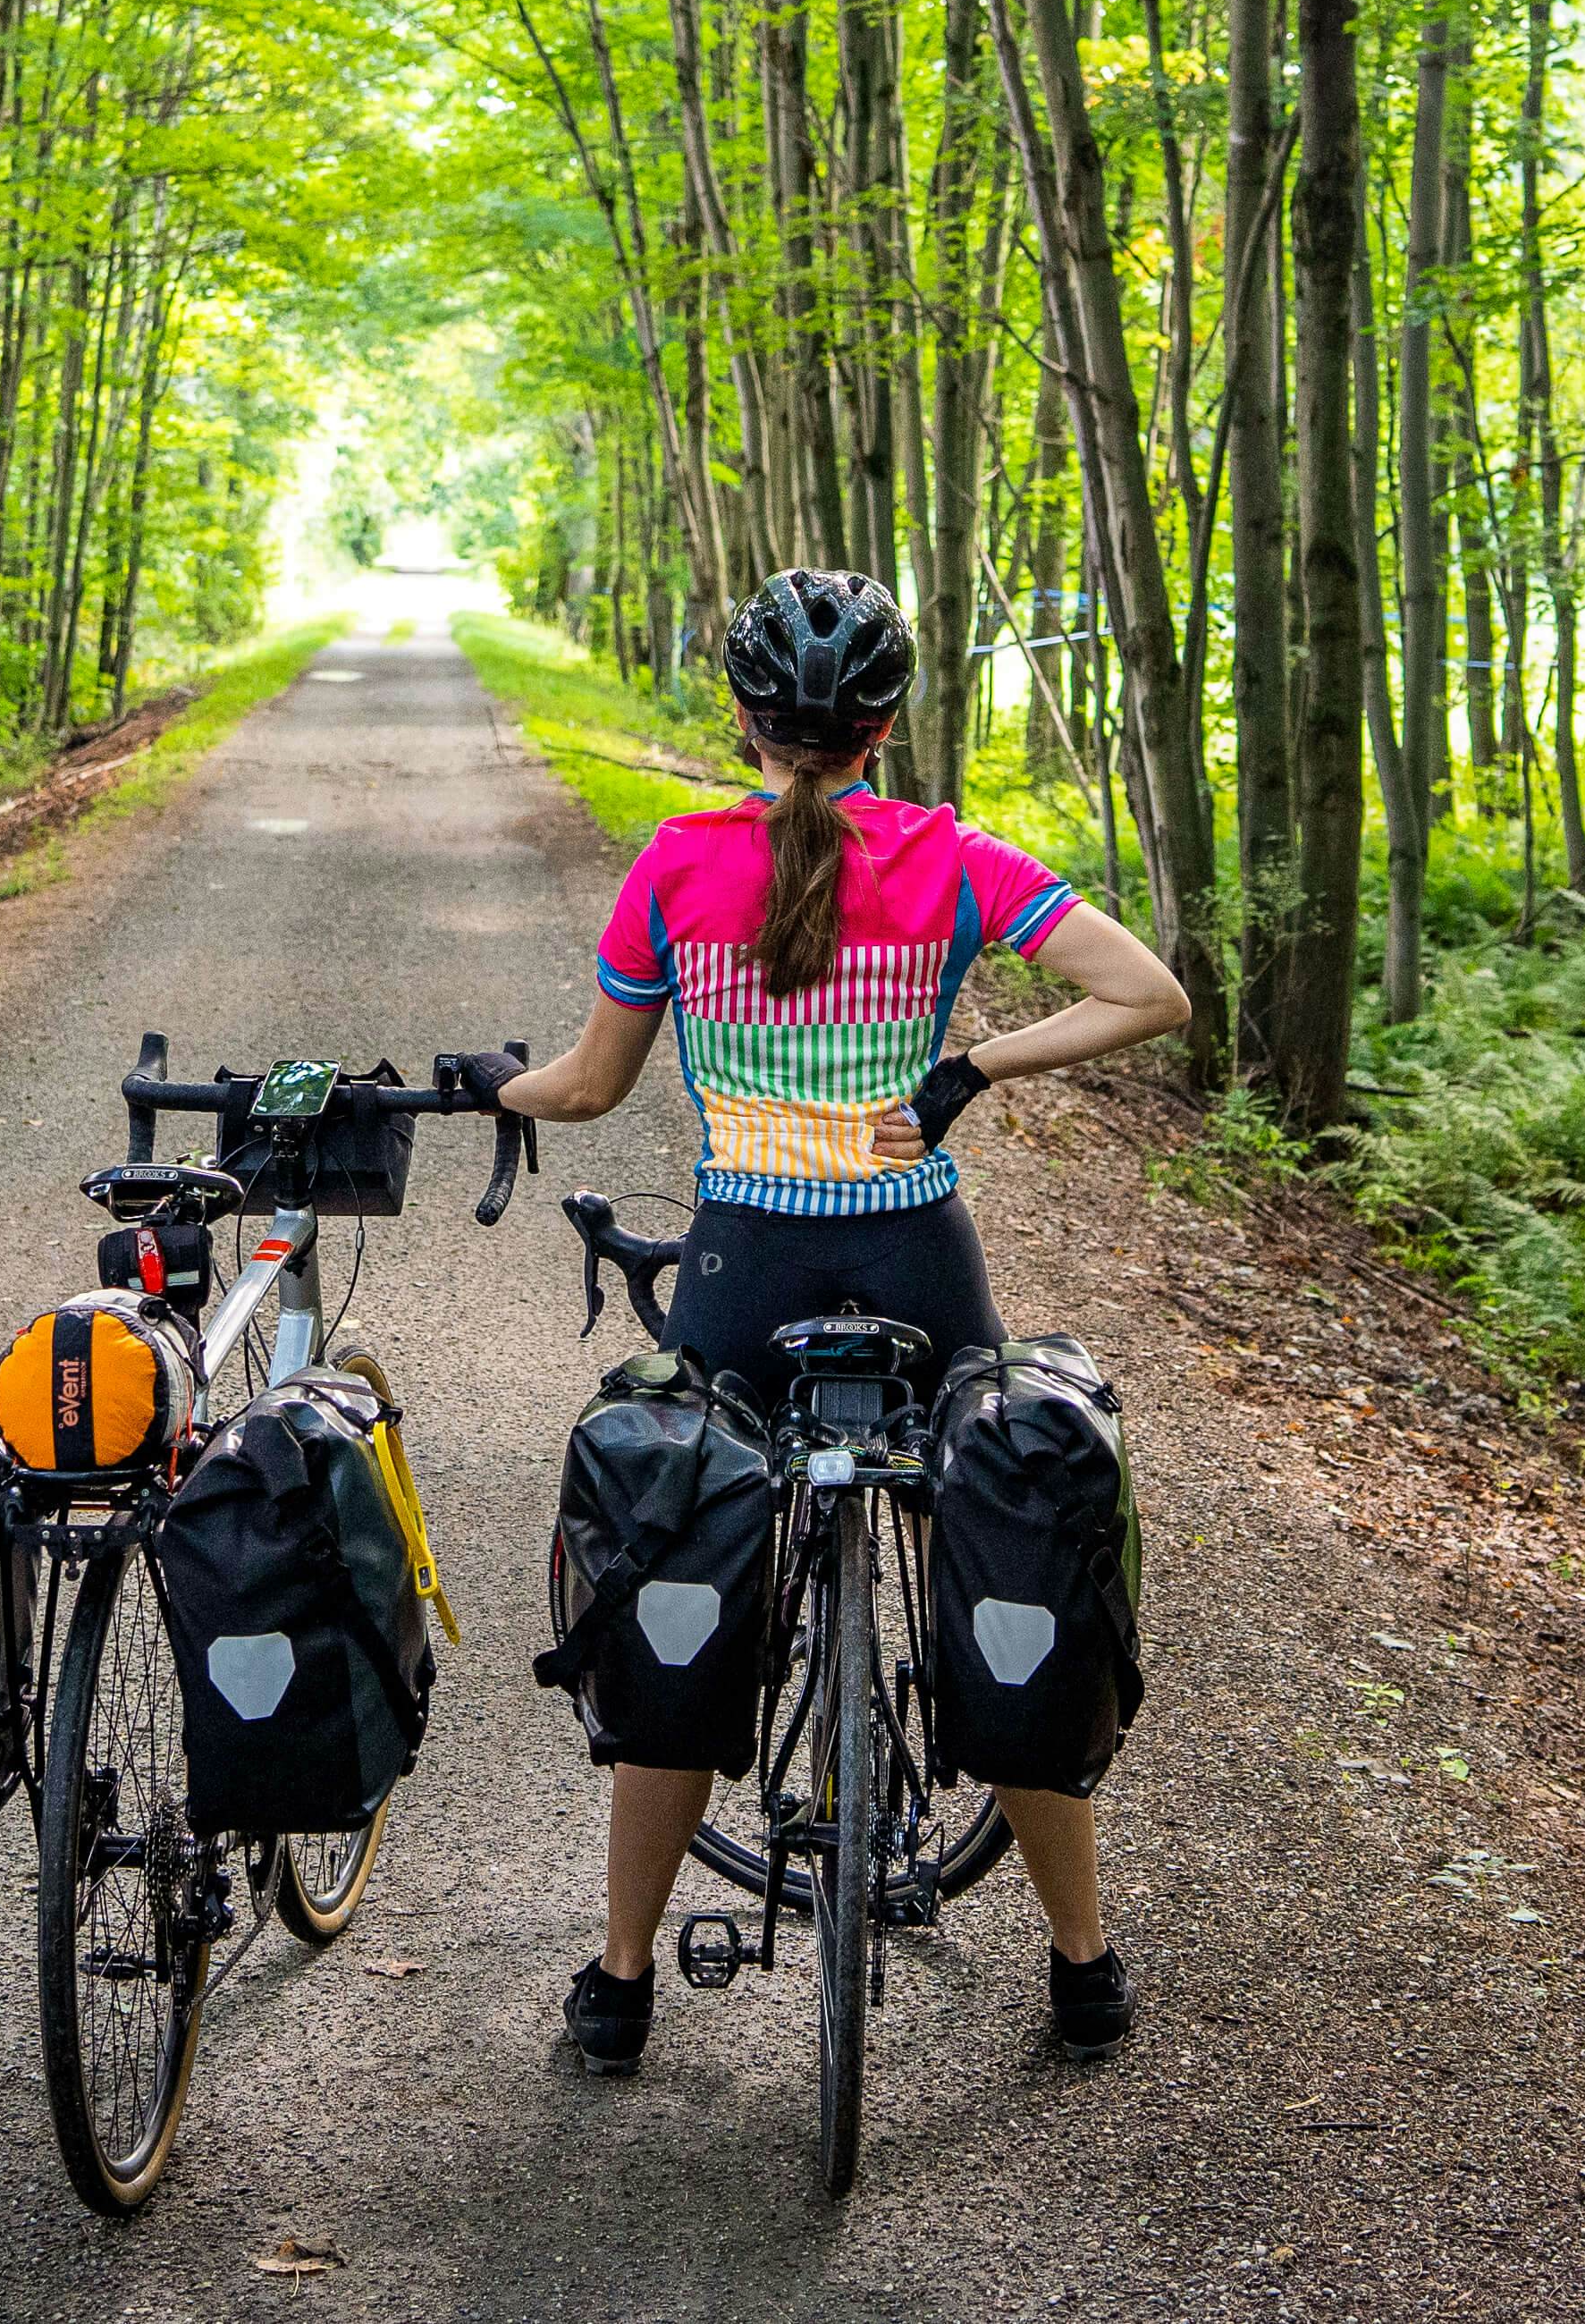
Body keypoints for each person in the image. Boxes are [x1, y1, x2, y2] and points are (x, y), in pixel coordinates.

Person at [454, 569, 1193, 2075]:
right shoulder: (955, 857)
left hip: (746, 1267)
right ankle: (1082, 1962)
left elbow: (586, 1088)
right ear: (884, 724)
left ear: (739, 716)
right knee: (998, 1533)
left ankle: (617, 1980)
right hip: (917, 1251)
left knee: (688, 1549)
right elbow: (1149, 994)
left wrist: (500, 1086)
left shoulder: (674, 863)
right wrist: (969, 1070)